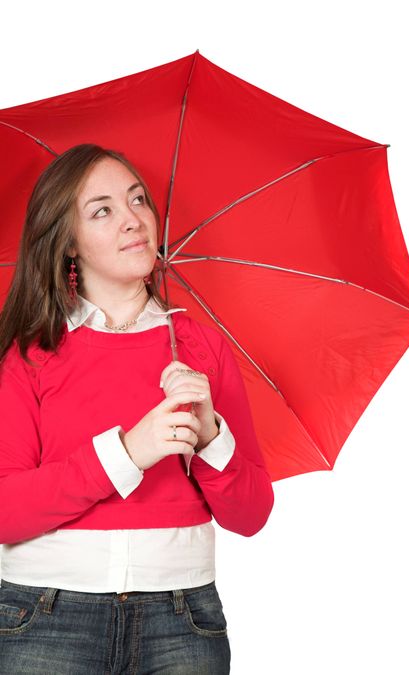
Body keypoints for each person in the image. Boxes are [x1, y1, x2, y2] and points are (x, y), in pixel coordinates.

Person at [0, 144, 274, 674]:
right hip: (45, 616)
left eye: (138, 200)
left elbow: (251, 514)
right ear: (68, 243)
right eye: (103, 210)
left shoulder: (202, 350)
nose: (134, 220)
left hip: (183, 618)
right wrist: (130, 452)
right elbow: (6, 511)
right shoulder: (29, 355)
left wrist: (210, 433)